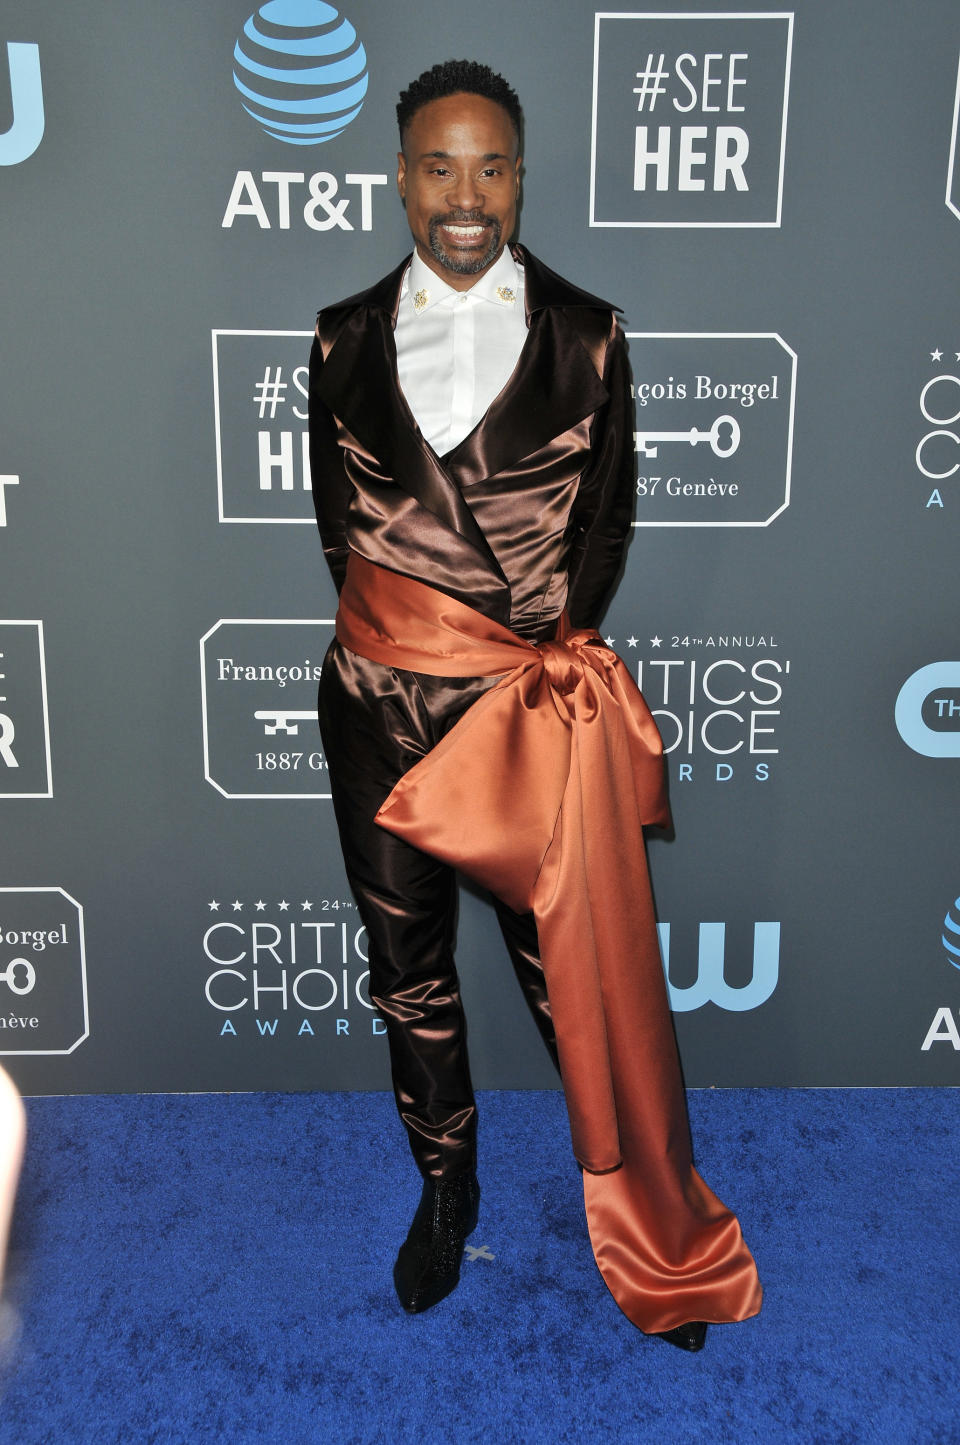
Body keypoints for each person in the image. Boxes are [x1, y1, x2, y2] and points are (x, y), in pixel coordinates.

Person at [309, 59, 761, 1351]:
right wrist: (412, 649)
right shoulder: (338, 338)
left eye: (492, 166)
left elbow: (605, 533)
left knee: (580, 977)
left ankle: (635, 1208)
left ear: (521, 175)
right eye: (439, 167)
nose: (467, 197)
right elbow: (334, 531)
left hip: (526, 718)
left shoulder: (593, 333)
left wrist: (522, 661)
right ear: (401, 177)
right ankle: (446, 1191)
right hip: (379, 708)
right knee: (407, 973)